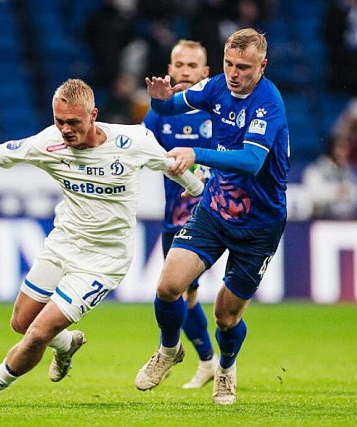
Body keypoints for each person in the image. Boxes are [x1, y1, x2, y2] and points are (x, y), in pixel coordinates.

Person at [0, 79, 204, 407]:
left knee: (39, 332)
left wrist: (195, 188)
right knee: (21, 323)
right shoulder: (48, 142)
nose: (66, 129)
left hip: (103, 261)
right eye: (60, 121)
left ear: (93, 115)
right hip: (62, 244)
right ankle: (66, 345)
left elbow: (173, 165)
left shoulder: (133, 141)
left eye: (74, 122)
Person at [135, 28, 289, 405]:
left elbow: (252, 161)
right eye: (229, 64)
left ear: (262, 66)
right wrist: (158, 100)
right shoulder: (216, 87)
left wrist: (196, 153)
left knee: (225, 316)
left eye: (244, 67)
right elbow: (170, 107)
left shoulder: (267, 103)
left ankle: (225, 368)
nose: (234, 73)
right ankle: (169, 351)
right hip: (215, 211)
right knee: (168, 286)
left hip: (259, 226)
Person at [142, 39, 217, 389]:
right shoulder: (157, 115)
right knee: (183, 294)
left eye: (192, 66)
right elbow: (143, 151)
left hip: (215, 216)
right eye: (179, 64)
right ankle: (207, 362)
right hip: (174, 217)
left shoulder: (219, 112)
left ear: (206, 73)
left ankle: (212, 361)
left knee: (186, 291)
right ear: (169, 70)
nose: (185, 71)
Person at [302, 135, 357, 219]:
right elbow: (314, 196)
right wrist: (335, 192)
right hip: (322, 220)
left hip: (346, 220)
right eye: (340, 148)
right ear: (331, 149)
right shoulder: (316, 170)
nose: (345, 152)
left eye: (346, 148)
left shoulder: (349, 171)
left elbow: (355, 193)